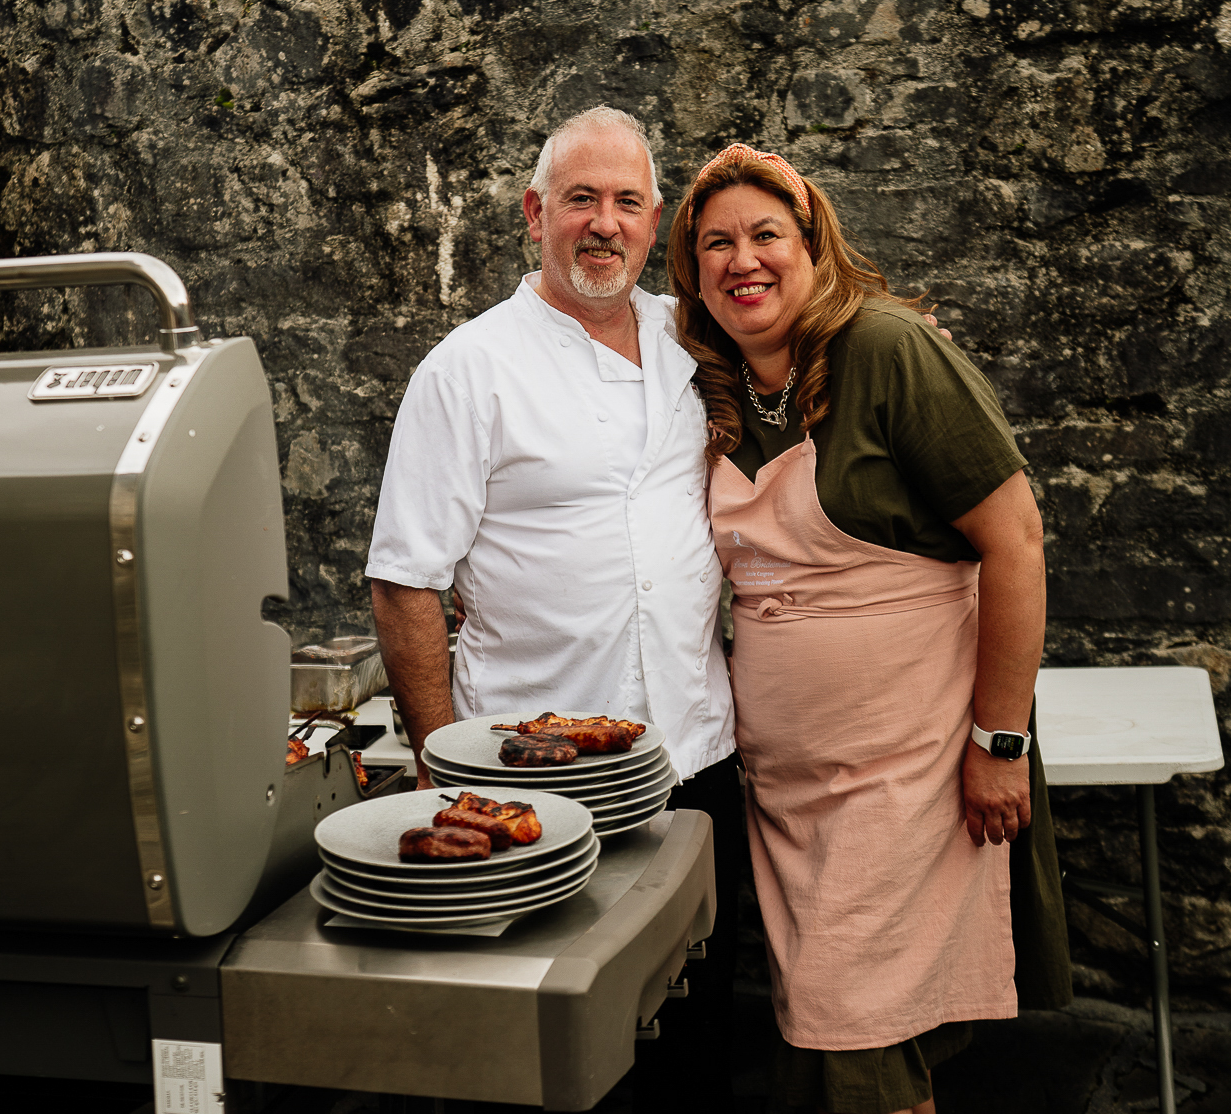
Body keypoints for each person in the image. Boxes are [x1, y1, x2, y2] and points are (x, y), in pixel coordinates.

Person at [667, 143, 1071, 1114]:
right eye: (716, 242)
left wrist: (999, 742)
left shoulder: (887, 348)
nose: (742, 258)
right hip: (791, 790)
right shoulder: (709, 396)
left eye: (767, 232)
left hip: (910, 772)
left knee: (863, 1043)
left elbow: (1015, 539)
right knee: (824, 1040)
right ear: (693, 275)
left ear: (813, 245)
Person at [365, 105, 742, 1112]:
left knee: (696, 1046)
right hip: (540, 787)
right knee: (561, 1062)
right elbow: (405, 578)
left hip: (698, 765)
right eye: (581, 199)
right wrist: (445, 764)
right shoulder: (470, 368)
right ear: (535, 212)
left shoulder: (688, 339)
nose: (603, 223)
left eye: (626, 202)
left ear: (654, 222)